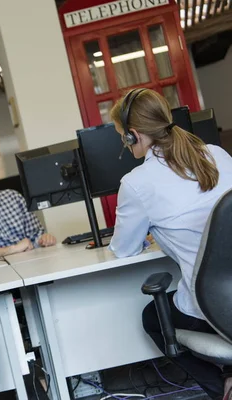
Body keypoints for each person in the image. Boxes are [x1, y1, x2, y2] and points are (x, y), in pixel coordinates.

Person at [108, 88, 232, 399]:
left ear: (134, 136)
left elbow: (123, 249)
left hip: (216, 307)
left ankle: (223, 390)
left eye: (122, 135)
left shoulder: (137, 183)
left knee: (152, 317)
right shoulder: (216, 154)